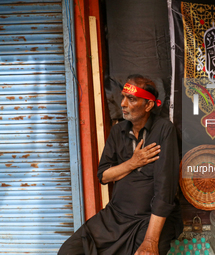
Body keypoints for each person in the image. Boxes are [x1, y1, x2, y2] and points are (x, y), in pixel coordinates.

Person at [58, 74, 183, 255]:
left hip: (148, 220)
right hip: (115, 217)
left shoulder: (164, 130)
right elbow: (104, 176)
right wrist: (133, 163)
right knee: (69, 251)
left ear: (148, 105)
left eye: (131, 99)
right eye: (123, 97)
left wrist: (150, 240)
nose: (123, 103)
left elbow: (165, 191)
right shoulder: (118, 131)